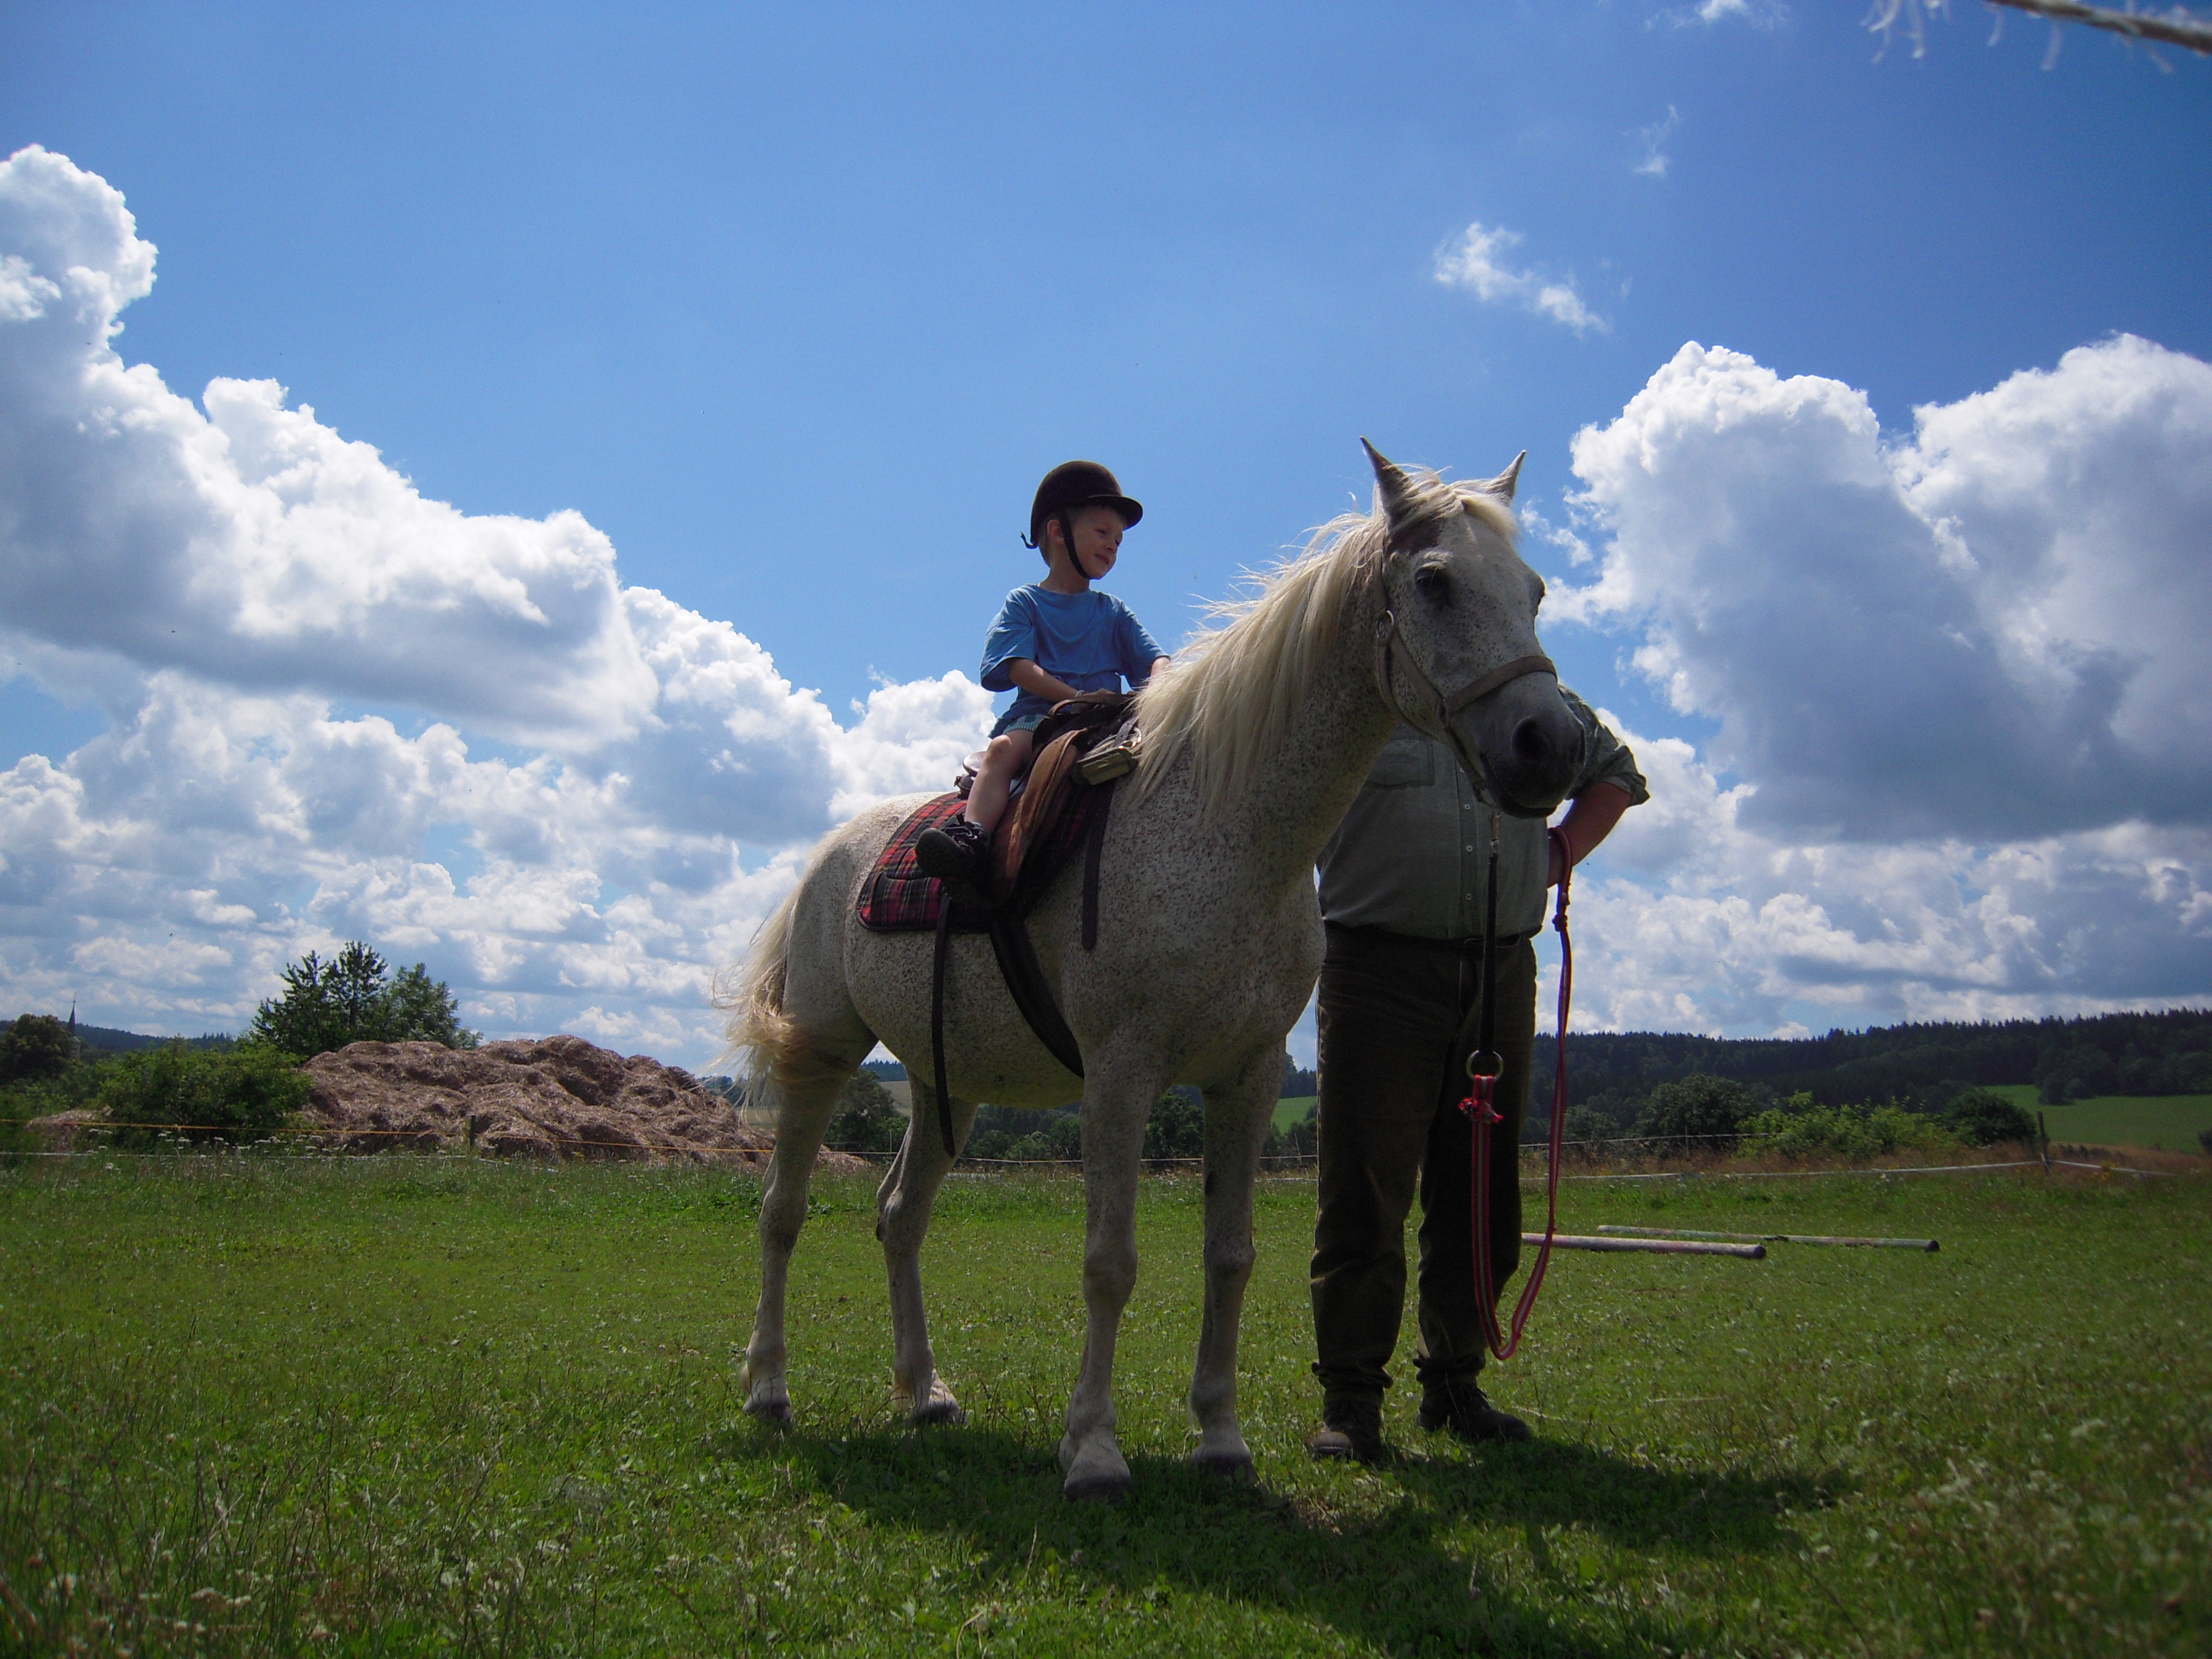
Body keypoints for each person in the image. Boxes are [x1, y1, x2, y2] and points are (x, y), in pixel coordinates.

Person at [1304, 697, 1647, 1462]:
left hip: (1501, 965)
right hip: (1374, 964)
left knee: (1482, 1190)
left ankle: (1455, 1381)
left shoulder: (1536, 705)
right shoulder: (1361, 696)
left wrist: (1559, 854)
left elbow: (1617, 774)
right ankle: (1352, 1399)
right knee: (1363, 1187)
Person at [916, 461, 1170, 887]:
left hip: (1108, 723)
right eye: (1103, 532)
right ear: (1058, 532)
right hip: (1040, 720)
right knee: (1002, 751)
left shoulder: (1113, 611)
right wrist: (1075, 698)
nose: (1113, 546)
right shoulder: (1025, 602)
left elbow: (1156, 661)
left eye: (1119, 541)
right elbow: (1018, 667)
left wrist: (1161, 687)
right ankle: (973, 838)